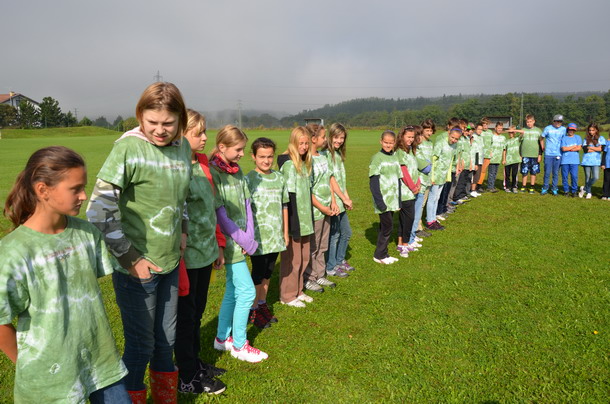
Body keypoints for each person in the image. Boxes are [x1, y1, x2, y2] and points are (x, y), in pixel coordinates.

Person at [87, 82, 191, 403]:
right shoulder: (128, 148)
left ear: (181, 120)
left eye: (168, 123)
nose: (160, 130)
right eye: (152, 122)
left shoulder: (183, 147)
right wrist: (131, 258)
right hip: (137, 270)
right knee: (140, 346)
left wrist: (183, 229)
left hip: (170, 263)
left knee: (166, 342)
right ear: (140, 116)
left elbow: (182, 195)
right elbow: (98, 209)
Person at [0, 146, 130, 404]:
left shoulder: (87, 234)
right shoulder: (13, 252)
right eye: (75, 189)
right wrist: (28, 364)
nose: (84, 196)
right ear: (43, 190)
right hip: (50, 378)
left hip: (102, 362)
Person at [175, 110, 227, 395]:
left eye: (205, 131)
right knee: (186, 317)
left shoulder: (203, 163)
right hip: (187, 257)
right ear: (181, 135)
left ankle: (194, 362)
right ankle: (186, 375)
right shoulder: (176, 168)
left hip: (206, 252)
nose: (205, 137)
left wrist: (219, 244)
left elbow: (212, 208)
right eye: (198, 133)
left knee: (197, 312)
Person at [210, 125, 268, 363]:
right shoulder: (213, 173)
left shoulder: (236, 170)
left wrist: (249, 236)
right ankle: (240, 345)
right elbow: (220, 214)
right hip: (229, 243)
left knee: (233, 291)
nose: (242, 154)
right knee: (246, 291)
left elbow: (246, 205)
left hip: (241, 241)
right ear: (222, 147)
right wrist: (243, 239)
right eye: (238, 149)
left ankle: (222, 338)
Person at [245, 137, 289, 328]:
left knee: (268, 272)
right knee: (258, 273)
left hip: (275, 236)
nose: (266, 161)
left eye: (270, 156)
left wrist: (285, 232)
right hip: (258, 238)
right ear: (253, 156)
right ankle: (253, 309)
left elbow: (284, 205)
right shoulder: (249, 179)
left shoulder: (279, 178)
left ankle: (262, 304)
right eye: (262, 157)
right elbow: (245, 210)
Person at [277, 126, 315, 307]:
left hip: (306, 221)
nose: (304, 147)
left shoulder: (304, 162)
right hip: (295, 222)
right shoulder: (289, 165)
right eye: (301, 143)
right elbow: (289, 198)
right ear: (293, 142)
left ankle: (298, 291)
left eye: (306, 143)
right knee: (292, 260)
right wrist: (292, 226)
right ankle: (287, 295)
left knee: (304, 258)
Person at [304, 124, 341, 293]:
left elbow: (328, 180)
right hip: (316, 211)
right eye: (323, 137)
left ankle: (320, 274)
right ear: (313, 139)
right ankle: (309, 278)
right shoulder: (306, 160)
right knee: (313, 245)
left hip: (327, 209)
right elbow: (307, 189)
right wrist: (321, 207)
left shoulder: (323, 157)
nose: (326, 139)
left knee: (322, 244)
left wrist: (333, 202)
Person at [322, 123, 355, 276]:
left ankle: (340, 260)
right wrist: (336, 200)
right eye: (336, 137)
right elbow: (329, 180)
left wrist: (347, 198)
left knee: (346, 233)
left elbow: (341, 180)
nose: (339, 141)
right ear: (330, 137)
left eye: (342, 138)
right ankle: (331, 266)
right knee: (334, 235)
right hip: (333, 202)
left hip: (341, 201)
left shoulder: (338, 155)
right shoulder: (325, 155)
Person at [369, 130, 401, 264]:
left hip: (393, 200)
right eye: (386, 142)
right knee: (387, 227)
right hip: (383, 200)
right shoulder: (377, 158)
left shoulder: (395, 157)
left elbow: (398, 179)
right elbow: (373, 182)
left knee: (385, 227)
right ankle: (379, 255)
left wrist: (399, 200)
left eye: (391, 143)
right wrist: (380, 202)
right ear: (381, 141)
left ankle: (384, 253)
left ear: (394, 143)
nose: (388, 145)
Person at [426, 127, 460, 230]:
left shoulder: (454, 146)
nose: (453, 140)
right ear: (449, 134)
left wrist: (447, 176)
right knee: (432, 198)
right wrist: (432, 176)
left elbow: (450, 161)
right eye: (452, 137)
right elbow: (433, 159)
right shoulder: (440, 143)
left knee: (437, 197)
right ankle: (429, 221)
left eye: (456, 139)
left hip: (443, 176)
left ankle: (433, 219)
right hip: (436, 175)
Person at [395, 126, 421, 256]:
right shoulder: (400, 152)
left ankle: (400, 243)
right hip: (405, 192)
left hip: (412, 190)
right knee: (408, 219)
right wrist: (412, 187)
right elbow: (404, 172)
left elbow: (414, 169)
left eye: (412, 137)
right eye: (408, 137)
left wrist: (418, 183)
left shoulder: (410, 150)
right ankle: (405, 245)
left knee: (404, 219)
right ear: (402, 137)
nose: (410, 139)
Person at [414, 119, 435, 238]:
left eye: (431, 130)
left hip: (427, 178)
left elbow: (431, 160)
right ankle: (417, 228)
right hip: (419, 178)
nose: (429, 133)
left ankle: (418, 226)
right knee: (419, 204)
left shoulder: (430, 143)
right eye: (427, 130)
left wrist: (432, 176)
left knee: (422, 203)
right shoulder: (418, 142)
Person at [514, 114, 542, 193]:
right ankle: (523, 186)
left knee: (533, 172)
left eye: (530, 121)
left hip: (535, 155)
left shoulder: (538, 131)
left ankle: (532, 186)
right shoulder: (523, 130)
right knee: (524, 171)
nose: (529, 123)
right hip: (525, 155)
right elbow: (519, 142)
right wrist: (520, 154)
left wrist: (540, 154)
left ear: (534, 121)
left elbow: (541, 143)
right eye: (527, 122)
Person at [541, 114, 566, 195]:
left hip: (558, 154)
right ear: (553, 121)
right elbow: (541, 138)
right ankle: (545, 188)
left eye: (560, 121)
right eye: (557, 121)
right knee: (547, 172)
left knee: (555, 173)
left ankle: (554, 188)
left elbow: (565, 140)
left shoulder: (563, 129)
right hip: (548, 154)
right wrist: (542, 147)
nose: (558, 123)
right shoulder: (548, 128)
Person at [579, 123, 606, 199]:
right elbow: (585, 150)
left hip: (596, 161)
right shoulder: (586, 139)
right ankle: (589, 192)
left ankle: (584, 188)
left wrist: (590, 148)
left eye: (593, 130)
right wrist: (596, 148)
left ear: (596, 130)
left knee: (596, 177)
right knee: (587, 177)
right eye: (590, 130)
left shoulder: (601, 138)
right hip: (586, 160)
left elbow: (602, 149)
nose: (591, 132)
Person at [560, 123, 582, 197]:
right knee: (565, 176)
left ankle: (574, 191)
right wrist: (573, 147)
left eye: (573, 130)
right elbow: (563, 149)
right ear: (567, 130)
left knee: (574, 176)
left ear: (575, 130)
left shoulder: (578, 137)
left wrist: (568, 148)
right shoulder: (564, 138)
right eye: (570, 129)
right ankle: (566, 191)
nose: (571, 131)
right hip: (565, 161)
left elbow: (579, 148)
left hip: (575, 161)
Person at [487, 122, 506, 192]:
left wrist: (503, 159)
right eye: (498, 128)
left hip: (498, 158)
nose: (500, 129)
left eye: (501, 128)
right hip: (492, 158)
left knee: (495, 173)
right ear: (495, 128)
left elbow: (504, 149)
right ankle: (490, 187)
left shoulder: (503, 138)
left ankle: (492, 185)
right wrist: (489, 153)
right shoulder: (491, 136)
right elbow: (488, 146)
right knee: (491, 173)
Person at [476, 118, 493, 193]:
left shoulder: (490, 132)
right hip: (480, 154)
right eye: (484, 125)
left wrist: (491, 151)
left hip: (487, 154)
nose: (485, 126)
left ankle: (480, 184)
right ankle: (475, 184)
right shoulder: (480, 132)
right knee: (478, 170)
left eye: (487, 125)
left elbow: (491, 143)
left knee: (483, 171)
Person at [503, 127, 521, 193]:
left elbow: (523, 132)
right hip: (508, 160)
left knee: (514, 174)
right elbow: (504, 150)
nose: (511, 133)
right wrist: (504, 159)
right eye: (510, 132)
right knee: (507, 174)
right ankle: (507, 187)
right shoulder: (506, 141)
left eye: (512, 132)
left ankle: (514, 187)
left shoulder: (517, 139)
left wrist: (514, 130)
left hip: (516, 159)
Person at [469, 123, 484, 197]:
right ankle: (471, 190)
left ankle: (474, 190)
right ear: (475, 129)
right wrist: (475, 162)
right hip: (474, 159)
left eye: (481, 129)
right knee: (474, 175)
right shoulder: (473, 137)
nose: (480, 131)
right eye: (478, 129)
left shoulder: (481, 137)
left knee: (477, 175)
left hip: (480, 159)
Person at [601, 132, 610, 200]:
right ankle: (605, 194)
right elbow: (604, 153)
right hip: (607, 164)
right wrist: (603, 163)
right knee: (607, 179)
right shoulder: (607, 142)